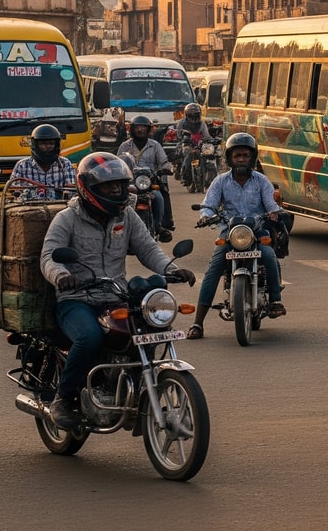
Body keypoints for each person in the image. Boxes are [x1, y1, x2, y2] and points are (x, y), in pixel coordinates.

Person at [39, 152, 194, 430]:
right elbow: (48, 257)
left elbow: (148, 249)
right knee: (89, 337)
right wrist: (62, 276)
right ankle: (63, 399)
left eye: (121, 185)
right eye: (110, 187)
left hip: (115, 296)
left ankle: (131, 389)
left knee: (145, 331)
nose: (118, 191)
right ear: (89, 189)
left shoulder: (127, 215)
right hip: (77, 301)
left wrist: (170, 268)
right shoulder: (67, 219)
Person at [186, 132, 285, 339]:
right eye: (237, 155)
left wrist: (275, 212)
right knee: (214, 268)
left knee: (268, 255)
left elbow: (270, 204)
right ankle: (197, 323)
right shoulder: (221, 181)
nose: (241, 159)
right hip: (230, 232)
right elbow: (209, 205)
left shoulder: (261, 181)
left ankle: (275, 300)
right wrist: (206, 216)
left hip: (257, 230)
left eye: (245, 155)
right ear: (230, 158)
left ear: (252, 158)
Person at [117, 115, 174, 232]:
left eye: (143, 127)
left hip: (149, 182)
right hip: (130, 183)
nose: (140, 130)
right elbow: (118, 163)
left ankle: (159, 226)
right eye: (137, 127)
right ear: (132, 129)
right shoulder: (125, 146)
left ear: (148, 129)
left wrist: (164, 169)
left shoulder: (155, 145)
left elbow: (164, 162)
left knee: (159, 197)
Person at [8, 124, 76, 201]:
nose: (47, 146)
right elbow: (14, 191)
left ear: (56, 145)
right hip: (29, 208)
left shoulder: (65, 164)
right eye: (43, 143)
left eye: (51, 143)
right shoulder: (22, 165)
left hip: (59, 208)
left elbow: (72, 191)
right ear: (35, 145)